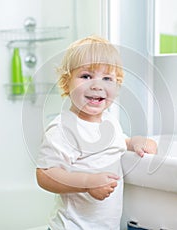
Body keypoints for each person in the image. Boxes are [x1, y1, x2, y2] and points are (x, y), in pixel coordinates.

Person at [36, 35, 157, 230]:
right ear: (67, 83)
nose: (97, 85)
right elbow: (45, 174)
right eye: (86, 76)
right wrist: (87, 182)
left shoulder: (109, 120)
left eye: (107, 78)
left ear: (116, 86)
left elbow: (120, 143)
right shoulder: (63, 128)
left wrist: (136, 142)